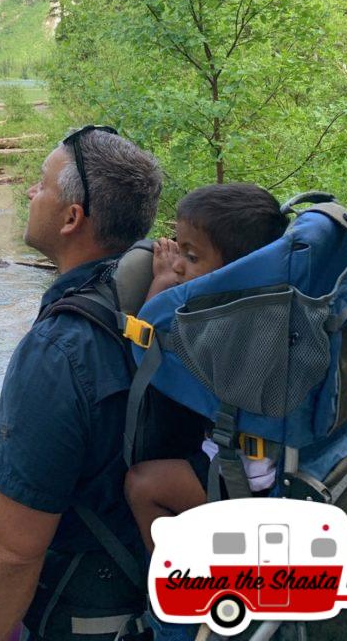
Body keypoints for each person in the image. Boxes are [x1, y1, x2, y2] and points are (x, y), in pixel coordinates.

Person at [0, 126, 164, 641]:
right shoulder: (159, 297)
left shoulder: (59, 351)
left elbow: (9, 550)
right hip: (157, 595)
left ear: (72, 218)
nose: (31, 193)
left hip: (90, 613)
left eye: (41, 184)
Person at [124, 183, 290, 552]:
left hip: (246, 481)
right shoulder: (275, 309)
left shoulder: (221, 329)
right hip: (284, 465)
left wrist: (163, 283)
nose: (179, 264)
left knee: (142, 485)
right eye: (178, 250)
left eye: (192, 257)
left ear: (237, 271)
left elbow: (150, 351)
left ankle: (177, 590)